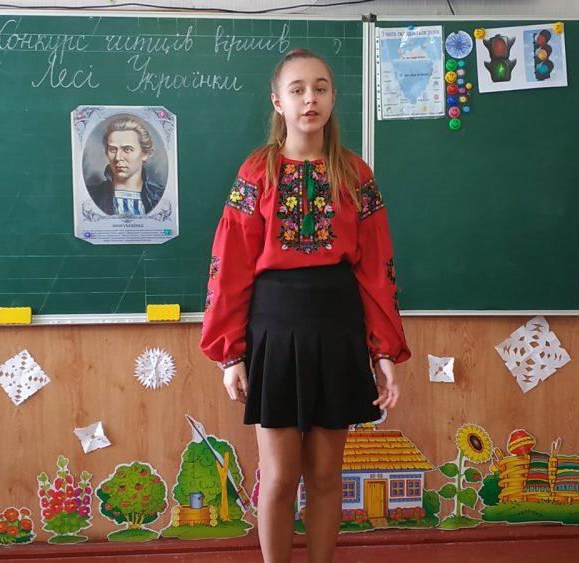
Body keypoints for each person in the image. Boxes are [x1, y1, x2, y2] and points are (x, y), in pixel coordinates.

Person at [200, 48, 409, 563]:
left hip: (338, 328)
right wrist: (230, 354)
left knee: (325, 475)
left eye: (320, 88)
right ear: (278, 102)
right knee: (278, 475)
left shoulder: (356, 174)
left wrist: (384, 352)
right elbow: (230, 266)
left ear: (333, 98)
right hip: (274, 328)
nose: (309, 99)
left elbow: (377, 268)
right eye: (297, 90)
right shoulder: (257, 173)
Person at [86, 116, 165, 216]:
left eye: (127, 149)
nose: (118, 157)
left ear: (145, 154)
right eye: (113, 149)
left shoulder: (159, 196)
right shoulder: (92, 195)